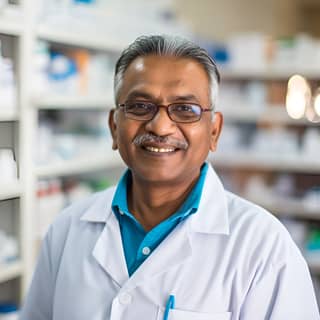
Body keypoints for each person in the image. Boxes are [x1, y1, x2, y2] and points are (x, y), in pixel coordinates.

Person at [20, 35, 319, 320]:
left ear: (214, 131)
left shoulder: (263, 246)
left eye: (185, 109)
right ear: (114, 126)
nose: (160, 126)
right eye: (140, 106)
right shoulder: (66, 230)